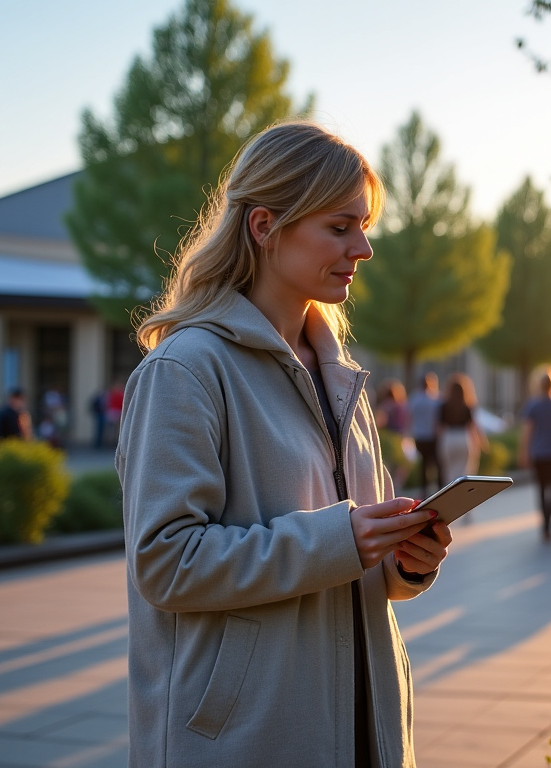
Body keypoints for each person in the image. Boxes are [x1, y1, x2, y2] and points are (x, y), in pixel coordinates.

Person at [117, 121, 449, 766]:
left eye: (364, 226)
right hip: (249, 736)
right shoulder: (185, 370)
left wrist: (407, 560)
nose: (364, 248)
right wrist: (340, 540)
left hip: (363, 724)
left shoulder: (339, 375)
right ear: (265, 226)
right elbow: (164, 561)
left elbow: (357, 560)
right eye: (340, 227)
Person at [519, 365, 551, 542]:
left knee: (542, 490)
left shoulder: (533, 405)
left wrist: (524, 452)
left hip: (540, 454)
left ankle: (546, 526)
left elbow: (527, 432)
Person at [437, 373, 487, 482]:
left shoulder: (444, 406)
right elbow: (473, 427)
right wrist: (480, 443)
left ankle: (450, 490)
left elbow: (439, 427)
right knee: (464, 471)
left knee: (448, 471)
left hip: (448, 437)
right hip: (463, 437)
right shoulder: (467, 407)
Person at [407, 372, 442, 495]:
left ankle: (424, 489)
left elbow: (409, 416)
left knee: (423, 465)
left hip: (419, 435)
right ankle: (439, 488)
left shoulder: (414, 398)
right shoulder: (436, 399)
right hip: (432, 436)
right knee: (437, 464)